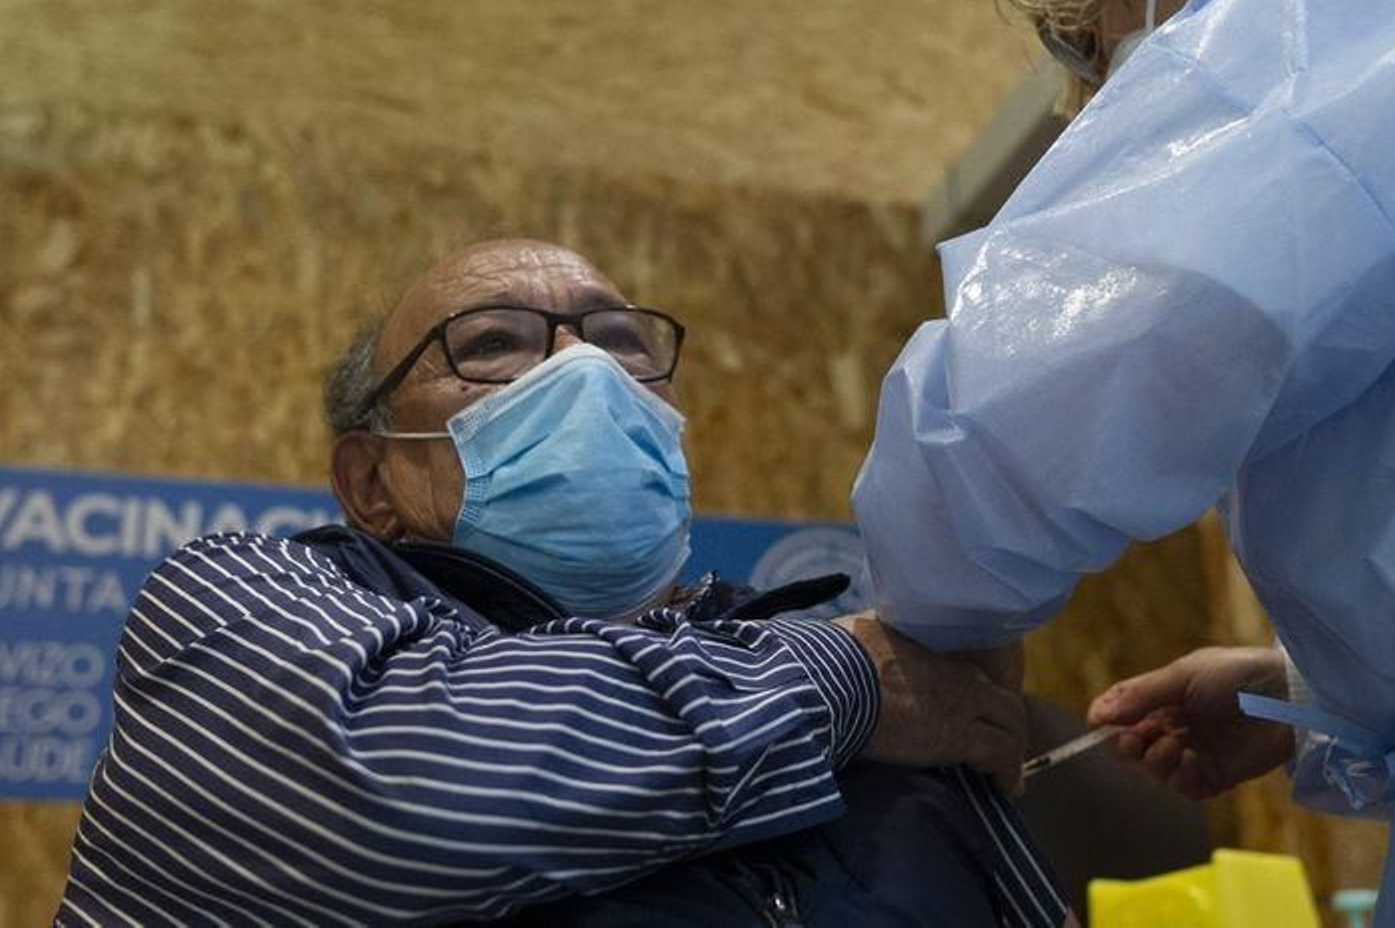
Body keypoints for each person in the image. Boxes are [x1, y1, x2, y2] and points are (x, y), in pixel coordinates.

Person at [850, 0, 1395, 923]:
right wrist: (1309, 698)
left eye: (1084, 39)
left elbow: (1042, 393)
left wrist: (919, 617)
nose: (1097, 92)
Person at [58, 239, 1069, 926]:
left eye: (624, 345)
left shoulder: (840, 683)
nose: (586, 375)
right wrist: (838, 683)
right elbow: (399, 799)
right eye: (494, 347)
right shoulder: (239, 598)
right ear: (371, 480)